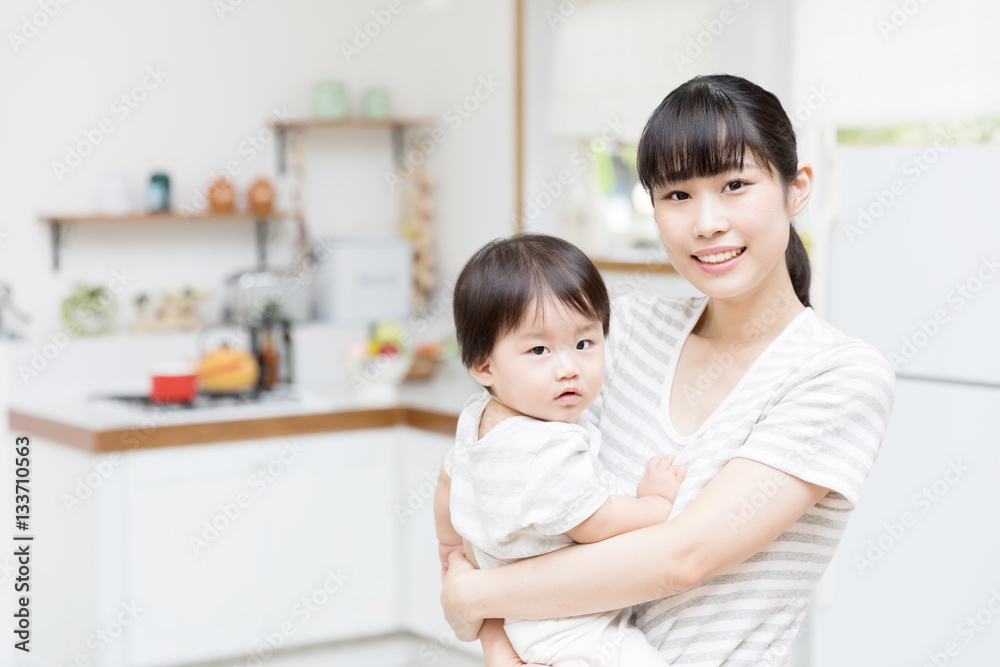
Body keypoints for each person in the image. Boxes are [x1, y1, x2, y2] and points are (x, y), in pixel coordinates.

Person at [440, 73, 897, 666]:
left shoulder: (838, 376)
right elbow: (497, 501)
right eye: (677, 195)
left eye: (735, 184)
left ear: (796, 188)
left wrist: (473, 596)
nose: (706, 222)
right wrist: (500, 647)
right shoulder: (620, 334)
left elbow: (683, 557)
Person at [434, 234, 688, 666]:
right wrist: (654, 502)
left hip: (519, 618)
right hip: (572, 629)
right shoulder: (546, 446)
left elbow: (447, 483)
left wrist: (450, 550)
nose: (568, 367)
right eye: (538, 350)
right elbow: (595, 521)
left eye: (585, 344)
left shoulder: (476, 421)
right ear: (483, 365)